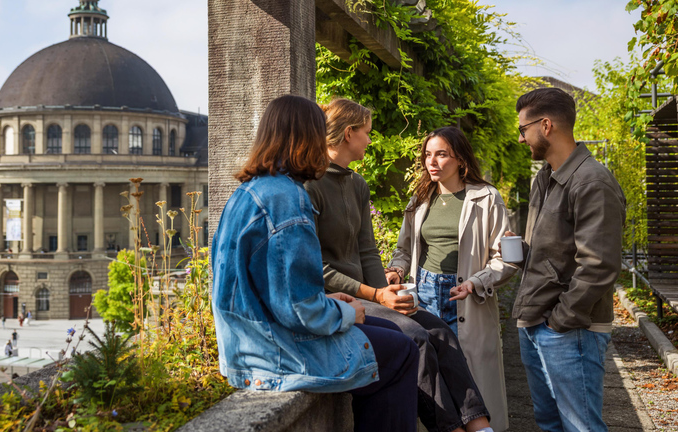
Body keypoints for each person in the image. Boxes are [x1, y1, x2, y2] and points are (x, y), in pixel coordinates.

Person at [212, 95, 420, 432]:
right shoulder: (288, 198)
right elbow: (299, 309)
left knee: (389, 332)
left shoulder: (248, 191)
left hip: (243, 345)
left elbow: (268, 286)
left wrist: (329, 302)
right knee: (402, 351)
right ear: (309, 138)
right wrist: (346, 312)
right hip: (274, 354)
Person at [306, 98, 493, 432]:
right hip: (339, 300)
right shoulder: (311, 185)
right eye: (366, 132)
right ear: (349, 134)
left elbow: (366, 250)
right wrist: (378, 297)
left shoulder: (357, 184)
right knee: (415, 337)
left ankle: (481, 428)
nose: (370, 139)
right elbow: (316, 268)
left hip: (370, 295)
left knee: (440, 331)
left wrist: (388, 292)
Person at [386, 126, 516, 431]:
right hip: (423, 294)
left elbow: (507, 259)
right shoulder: (419, 199)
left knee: (467, 377)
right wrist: (396, 270)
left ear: (460, 159)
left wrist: (476, 282)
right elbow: (403, 249)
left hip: (464, 295)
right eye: (428, 155)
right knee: (432, 377)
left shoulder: (486, 198)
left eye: (441, 154)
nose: (432, 162)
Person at [511, 87, 626, 432]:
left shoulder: (592, 181)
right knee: (550, 423)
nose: (520, 139)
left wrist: (560, 321)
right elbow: (550, 253)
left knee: (581, 427)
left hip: (571, 330)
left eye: (523, 129)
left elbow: (600, 264)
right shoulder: (544, 179)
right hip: (535, 321)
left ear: (546, 125)